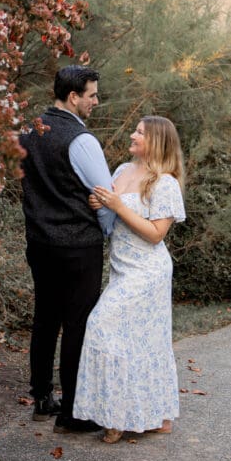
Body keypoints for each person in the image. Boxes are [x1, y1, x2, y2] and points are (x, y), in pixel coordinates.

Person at [73, 115, 185, 443]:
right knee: (139, 341)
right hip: (122, 267)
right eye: (135, 130)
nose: (133, 135)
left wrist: (118, 206)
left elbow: (156, 233)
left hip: (148, 271)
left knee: (101, 324)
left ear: (156, 142)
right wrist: (98, 204)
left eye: (140, 132)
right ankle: (152, 415)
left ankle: (116, 416)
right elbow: (108, 209)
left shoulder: (164, 182)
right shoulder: (122, 170)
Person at [19, 65, 115, 434]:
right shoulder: (82, 140)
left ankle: (42, 398)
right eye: (92, 95)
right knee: (78, 324)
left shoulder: (30, 131)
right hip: (78, 247)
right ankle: (72, 413)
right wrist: (107, 231)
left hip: (40, 243)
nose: (96, 101)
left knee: (45, 317)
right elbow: (104, 198)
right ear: (73, 97)